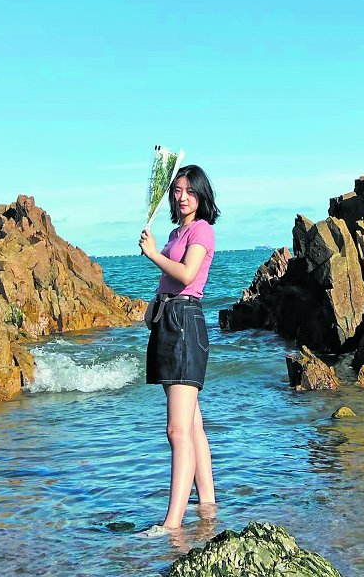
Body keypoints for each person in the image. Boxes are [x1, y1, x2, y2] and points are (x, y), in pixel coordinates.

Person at [138, 164, 220, 533]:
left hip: (186, 322)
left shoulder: (202, 230)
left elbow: (186, 274)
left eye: (189, 190)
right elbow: (169, 279)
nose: (182, 196)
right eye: (177, 190)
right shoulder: (176, 232)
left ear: (201, 195)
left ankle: (172, 523)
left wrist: (153, 254)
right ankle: (207, 506)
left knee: (177, 430)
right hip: (168, 321)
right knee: (192, 425)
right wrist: (153, 307)